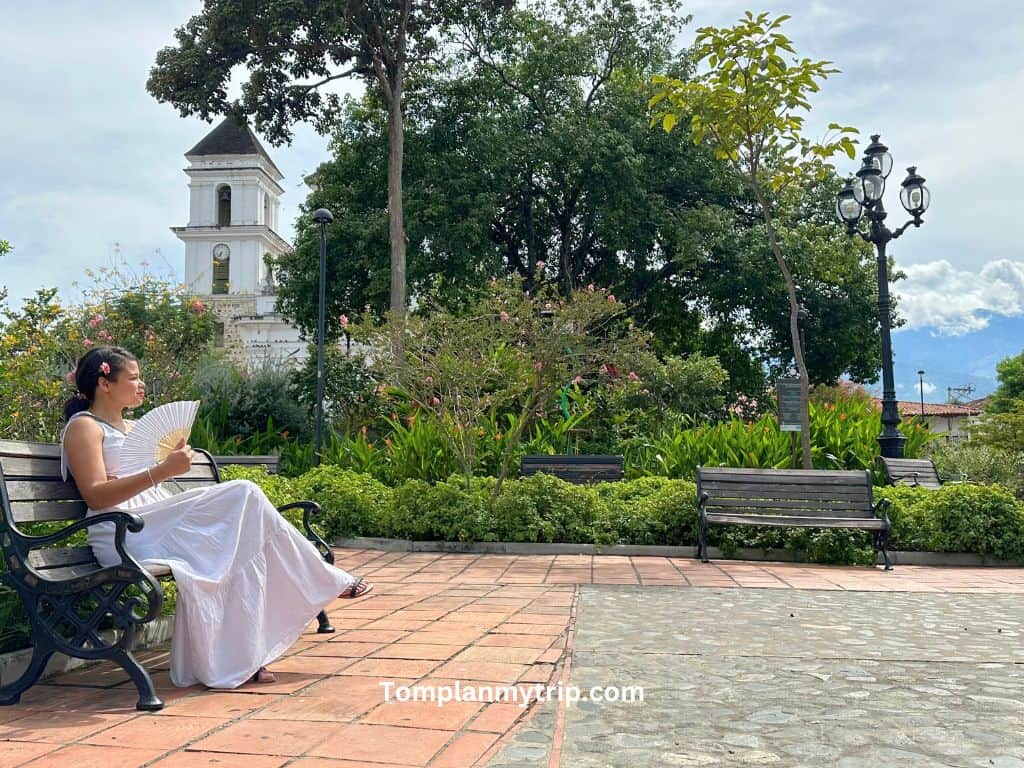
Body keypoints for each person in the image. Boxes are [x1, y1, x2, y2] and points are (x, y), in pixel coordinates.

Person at [60, 346, 372, 689]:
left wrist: (168, 467)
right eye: (133, 377)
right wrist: (162, 471)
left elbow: (150, 478)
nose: (142, 384)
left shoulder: (134, 427)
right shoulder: (85, 428)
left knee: (242, 540)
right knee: (244, 493)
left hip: (156, 518)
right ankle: (320, 576)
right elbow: (95, 494)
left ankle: (242, 659)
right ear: (105, 383)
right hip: (124, 530)